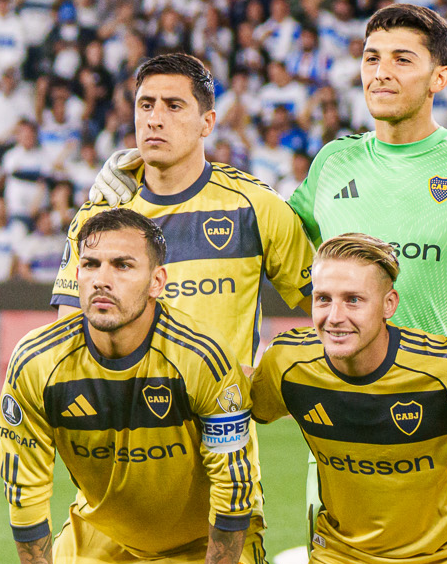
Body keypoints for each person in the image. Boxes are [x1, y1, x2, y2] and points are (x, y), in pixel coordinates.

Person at [282, 5, 447, 563]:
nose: (381, 72)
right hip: (342, 428)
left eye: (402, 59)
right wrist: (152, 174)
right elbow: (267, 238)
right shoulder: (332, 163)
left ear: (440, 77)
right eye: (371, 58)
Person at [0, 206, 259, 564]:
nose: (102, 279)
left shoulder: (202, 357)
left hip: (204, 546)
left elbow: (234, 485)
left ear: (157, 282)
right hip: (104, 541)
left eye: (122, 266)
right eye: (91, 264)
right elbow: (25, 494)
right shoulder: (36, 362)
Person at [253, 234, 447, 564]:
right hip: (341, 563)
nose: (335, 317)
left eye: (353, 300)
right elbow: (237, 403)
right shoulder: (287, 364)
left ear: (389, 304)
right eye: (323, 299)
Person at [62, 50, 314, 367]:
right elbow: (67, 342)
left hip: (221, 401)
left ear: (207, 123)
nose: (155, 119)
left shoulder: (256, 206)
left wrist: (274, 374)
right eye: (146, 105)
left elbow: (330, 310)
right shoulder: (98, 215)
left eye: (173, 106)